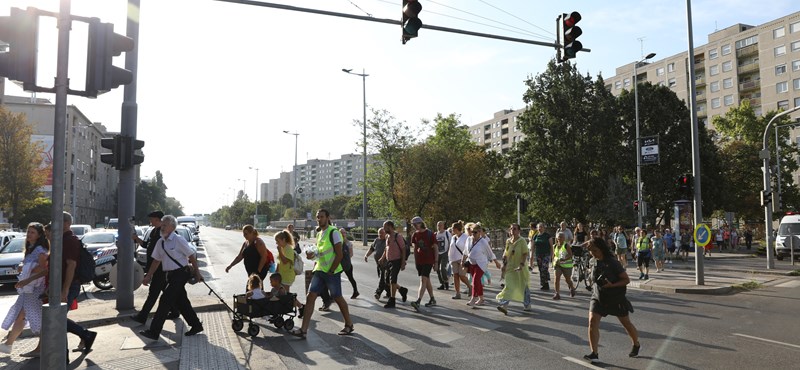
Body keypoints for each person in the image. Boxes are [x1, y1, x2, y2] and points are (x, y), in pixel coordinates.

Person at [139, 215, 205, 340]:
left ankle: (154, 332)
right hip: (170, 275)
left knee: (165, 300)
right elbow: (156, 261)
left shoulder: (179, 240)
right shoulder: (160, 242)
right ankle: (196, 325)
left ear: (172, 227)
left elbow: (191, 256)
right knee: (182, 301)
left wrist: (197, 273)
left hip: (181, 273)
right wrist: (148, 276)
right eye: (161, 225)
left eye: (164, 225)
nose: (161, 227)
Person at [291, 209, 354, 338]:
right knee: (310, 296)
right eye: (317, 217)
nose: (319, 219)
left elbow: (339, 254)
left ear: (327, 217)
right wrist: (311, 256)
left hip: (332, 272)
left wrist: (331, 270)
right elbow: (320, 253)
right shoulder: (320, 234)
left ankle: (348, 324)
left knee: (337, 297)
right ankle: (303, 330)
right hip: (319, 270)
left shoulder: (334, 232)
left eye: (322, 217)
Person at [583, 237, 640, 363]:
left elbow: (626, 280)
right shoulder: (593, 261)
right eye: (591, 250)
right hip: (598, 296)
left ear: (601, 249)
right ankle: (594, 353)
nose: (592, 252)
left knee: (626, 324)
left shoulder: (613, 262)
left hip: (615, 298)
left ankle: (636, 343)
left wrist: (612, 285)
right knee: (592, 322)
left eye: (595, 250)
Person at [0, 223, 49, 357]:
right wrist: (24, 267)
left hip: (35, 289)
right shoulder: (31, 248)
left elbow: (44, 269)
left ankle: (41, 347)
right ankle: (8, 345)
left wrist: (27, 271)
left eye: (32, 232)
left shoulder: (40, 250)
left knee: (32, 317)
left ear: (39, 235)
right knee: (21, 316)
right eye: (28, 232)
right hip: (28, 289)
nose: (29, 235)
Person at [131, 210, 179, 324]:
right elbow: (147, 245)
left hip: (160, 268)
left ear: (157, 220)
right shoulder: (154, 231)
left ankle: (142, 316)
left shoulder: (163, 233)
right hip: (155, 266)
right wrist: (136, 239)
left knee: (153, 293)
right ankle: (175, 311)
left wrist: (149, 274)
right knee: (165, 292)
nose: (150, 222)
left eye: (151, 219)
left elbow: (163, 253)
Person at [61, 212, 98, 352]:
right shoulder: (62, 239)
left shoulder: (70, 240)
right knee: (58, 318)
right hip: (64, 285)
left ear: (66, 223)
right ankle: (85, 335)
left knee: (57, 319)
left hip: (69, 285)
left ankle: (85, 335)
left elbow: (71, 265)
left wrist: (65, 289)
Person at [496, 223, 531, 314]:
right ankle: (504, 306)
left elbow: (525, 254)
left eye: (515, 229)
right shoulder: (508, 241)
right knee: (509, 286)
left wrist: (521, 265)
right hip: (510, 268)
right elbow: (505, 254)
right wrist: (504, 265)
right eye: (511, 229)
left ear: (519, 231)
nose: (513, 230)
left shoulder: (522, 241)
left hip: (521, 267)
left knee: (523, 286)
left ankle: (527, 304)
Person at [463, 223, 500, 307]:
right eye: (472, 232)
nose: (473, 234)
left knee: (476, 280)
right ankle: (480, 298)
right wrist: (463, 260)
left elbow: (490, 253)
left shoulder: (483, 242)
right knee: (475, 282)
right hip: (472, 263)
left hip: (481, 264)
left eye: (475, 232)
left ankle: (476, 298)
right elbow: (465, 251)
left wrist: (496, 262)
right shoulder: (469, 239)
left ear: (479, 232)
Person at [408, 216, 438, 311]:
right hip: (419, 261)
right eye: (413, 225)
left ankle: (418, 301)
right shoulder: (415, 235)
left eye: (416, 224)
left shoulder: (430, 234)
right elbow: (415, 247)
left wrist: (436, 262)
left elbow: (436, 248)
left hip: (428, 260)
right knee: (426, 279)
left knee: (423, 280)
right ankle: (432, 299)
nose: (414, 226)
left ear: (421, 223)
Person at [379, 220, 409, 308]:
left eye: (385, 227)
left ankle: (392, 300)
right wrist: (382, 258)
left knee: (393, 280)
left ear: (390, 227)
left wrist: (403, 262)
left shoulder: (397, 236)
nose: (384, 229)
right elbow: (386, 249)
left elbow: (403, 249)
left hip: (397, 261)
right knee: (387, 281)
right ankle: (402, 290)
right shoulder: (387, 236)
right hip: (389, 261)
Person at [448, 221, 471, 299]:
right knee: (455, 276)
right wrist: (450, 259)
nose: (452, 230)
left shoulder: (465, 237)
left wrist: (465, 259)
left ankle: (470, 287)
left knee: (462, 275)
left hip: (462, 259)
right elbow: (451, 248)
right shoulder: (453, 237)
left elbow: (468, 249)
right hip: (453, 259)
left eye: (453, 228)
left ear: (457, 229)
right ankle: (457, 293)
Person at [364, 228, 388, 300]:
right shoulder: (376, 240)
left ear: (385, 233)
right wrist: (366, 255)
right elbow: (371, 249)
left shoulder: (388, 240)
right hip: (379, 264)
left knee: (382, 279)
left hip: (387, 263)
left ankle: (378, 292)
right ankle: (398, 290)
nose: (380, 234)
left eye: (382, 233)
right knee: (386, 280)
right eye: (379, 233)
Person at [552, 231, 577, 300]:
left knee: (567, 279)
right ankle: (557, 293)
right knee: (556, 278)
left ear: (564, 238)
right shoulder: (555, 246)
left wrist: (564, 259)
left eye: (562, 237)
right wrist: (553, 263)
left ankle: (572, 288)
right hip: (558, 265)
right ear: (557, 238)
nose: (560, 238)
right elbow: (553, 255)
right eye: (559, 237)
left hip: (567, 266)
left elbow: (570, 255)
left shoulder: (566, 245)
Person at [338, 228, 359, 299]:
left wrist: (345, 258)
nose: (342, 234)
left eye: (344, 233)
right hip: (338, 264)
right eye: (341, 233)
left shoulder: (348, 243)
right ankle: (336, 294)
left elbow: (351, 254)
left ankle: (355, 291)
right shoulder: (337, 242)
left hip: (346, 264)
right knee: (335, 278)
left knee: (350, 278)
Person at [532, 223, 553, 291]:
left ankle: (546, 281)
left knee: (544, 268)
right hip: (538, 254)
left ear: (544, 228)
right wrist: (532, 255)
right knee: (541, 269)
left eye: (541, 227)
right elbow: (533, 246)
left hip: (546, 254)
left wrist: (552, 255)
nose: (540, 228)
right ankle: (543, 284)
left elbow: (551, 246)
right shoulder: (535, 236)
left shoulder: (547, 236)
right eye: (539, 227)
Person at [435, 221, 452, 291]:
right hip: (437, 253)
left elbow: (451, 243)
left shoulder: (447, 233)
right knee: (437, 269)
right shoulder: (436, 234)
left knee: (442, 268)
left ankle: (446, 281)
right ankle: (442, 283)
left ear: (443, 226)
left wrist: (449, 252)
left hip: (445, 253)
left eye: (441, 225)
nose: (439, 227)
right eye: (438, 225)